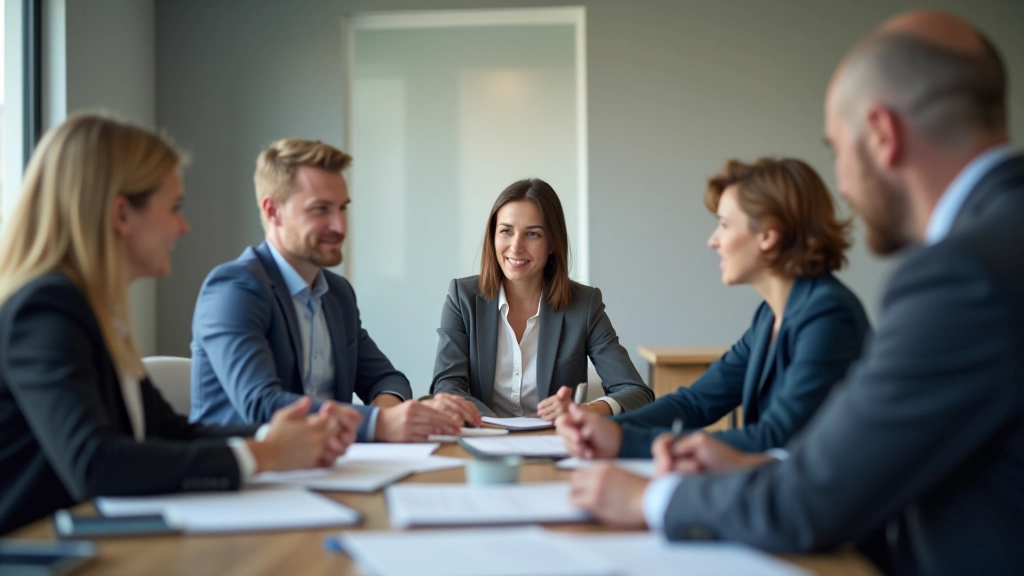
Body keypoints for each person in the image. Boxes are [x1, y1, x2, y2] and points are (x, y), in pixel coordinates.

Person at [568, 10, 1024, 575]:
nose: (843, 186)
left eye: (838, 149)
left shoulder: (957, 275)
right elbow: (703, 403)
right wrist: (615, 432)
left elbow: (818, 485)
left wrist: (651, 499)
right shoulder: (995, 245)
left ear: (882, 135)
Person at [0, 115, 362, 535]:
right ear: (122, 214)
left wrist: (283, 437)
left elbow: (168, 432)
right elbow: (95, 463)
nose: (184, 227)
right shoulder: (45, 309)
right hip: (36, 552)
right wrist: (261, 455)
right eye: (174, 208)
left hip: (92, 540)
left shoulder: (95, 311)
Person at [559, 159, 869, 456]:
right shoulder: (770, 316)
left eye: (724, 225)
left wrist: (623, 441)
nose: (713, 240)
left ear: (767, 235)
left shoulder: (828, 315)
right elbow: (695, 402)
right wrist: (603, 427)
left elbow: (775, 437)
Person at [190, 138, 469, 440]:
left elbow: (387, 379)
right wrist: (377, 424)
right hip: (247, 464)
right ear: (273, 211)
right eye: (320, 209)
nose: (340, 226)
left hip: (332, 460)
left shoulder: (337, 294)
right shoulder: (235, 288)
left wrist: (390, 413)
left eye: (342, 208)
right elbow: (261, 405)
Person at [431, 178, 654, 420]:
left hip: (555, 438)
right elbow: (446, 387)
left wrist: (584, 410)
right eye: (506, 231)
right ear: (493, 236)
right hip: (485, 435)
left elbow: (636, 392)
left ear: (552, 244)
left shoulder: (584, 305)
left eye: (532, 234)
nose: (516, 247)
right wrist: (498, 427)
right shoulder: (462, 298)